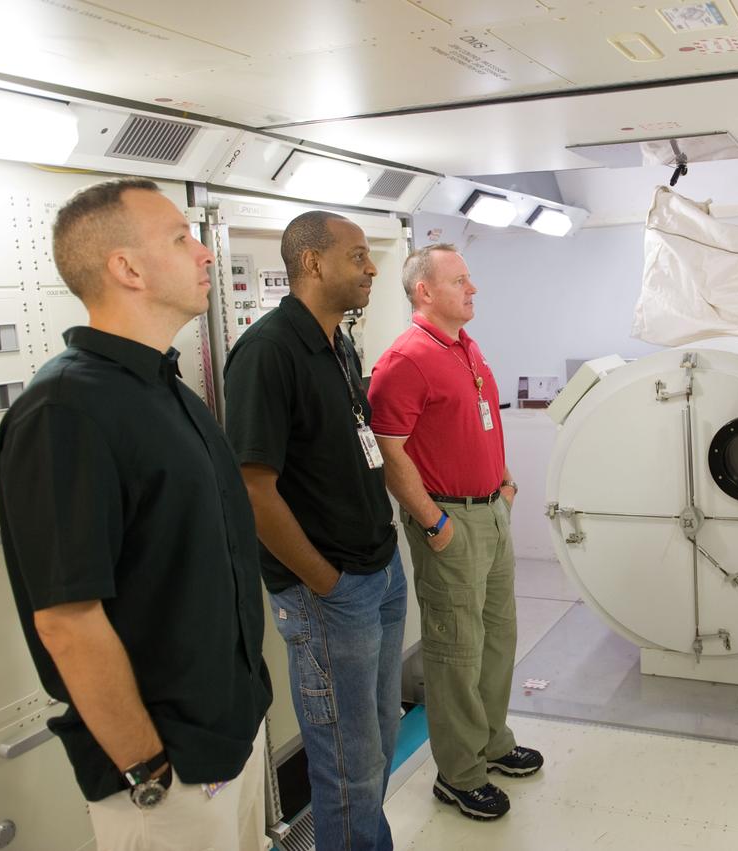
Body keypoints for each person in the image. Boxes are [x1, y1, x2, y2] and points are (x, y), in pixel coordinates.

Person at [0, 178, 273, 849]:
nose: (205, 252)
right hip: (163, 771)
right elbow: (67, 618)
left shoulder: (165, 388)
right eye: (181, 237)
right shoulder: (66, 409)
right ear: (126, 268)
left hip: (228, 734)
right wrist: (146, 767)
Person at [224, 211, 407, 850]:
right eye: (358, 255)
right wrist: (323, 579)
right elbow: (251, 487)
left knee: (379, 739)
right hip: (331, 588)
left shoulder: (339, 342)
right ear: (313, 263)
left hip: (377, 571)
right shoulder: (269, 351)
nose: (372, 267)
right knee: (348, 760)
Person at [368, 244, 543, 821]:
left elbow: (478, 421)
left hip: (492, 509)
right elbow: (391, 453)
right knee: (455, 651)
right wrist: (434, 523)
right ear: (425, 291)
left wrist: (507, 481)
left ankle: (491, 742)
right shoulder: (406, 359)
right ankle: (458, 773)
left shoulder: (465, 348)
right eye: (461, 281)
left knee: (498, 637)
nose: (473, 289)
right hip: (450, 520)